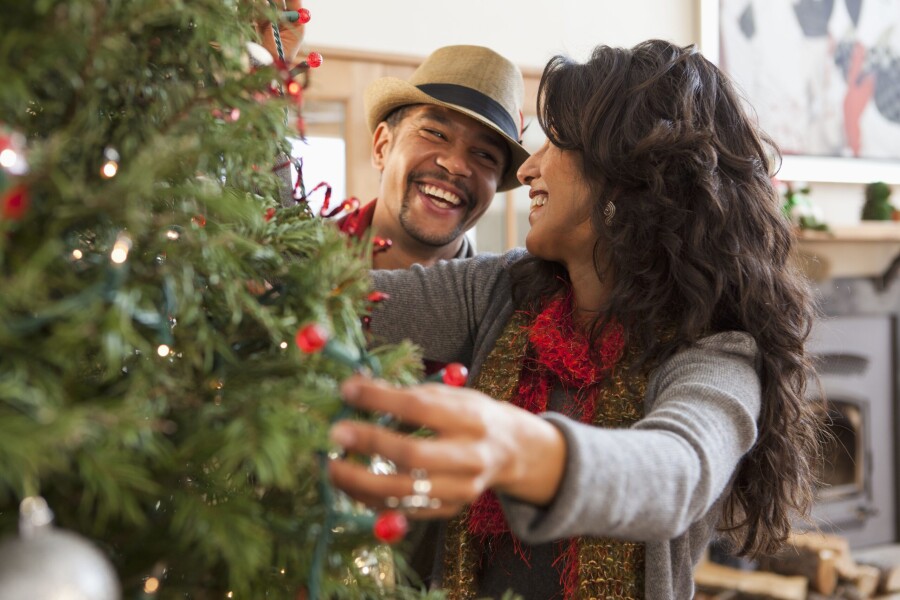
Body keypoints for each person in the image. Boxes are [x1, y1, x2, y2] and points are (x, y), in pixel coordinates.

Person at [326, 39, 824, 599]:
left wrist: (521, 449)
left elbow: (677, 472)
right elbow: (341, 303)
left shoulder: (716, 352)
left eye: (555, 144)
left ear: (623, 179)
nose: (530, 167)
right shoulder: (498, 289)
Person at [337, 44, 529, 269]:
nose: (456, 164)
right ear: (382, 146)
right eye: (435, 134)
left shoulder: (503, 302)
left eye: (484, 154)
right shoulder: (293, 264)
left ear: (497, 182)